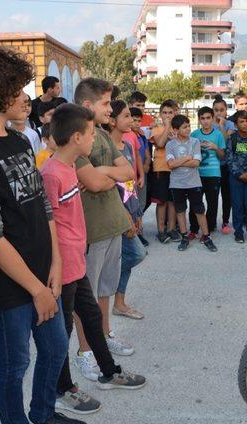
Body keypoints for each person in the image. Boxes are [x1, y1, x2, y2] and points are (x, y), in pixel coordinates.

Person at [0, 45, 78, 424]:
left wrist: (54, 263)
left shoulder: (21, 139)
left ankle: (42, 415)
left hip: (43, 273)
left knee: (56, 350)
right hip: (10, 283)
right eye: (17, 88)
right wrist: (36, 289)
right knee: (14, 364)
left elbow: (42, 206)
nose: (26, 97)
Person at [42, 104, 145, 415]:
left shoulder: (71, 168)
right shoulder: (50, 174)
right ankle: (63, 389)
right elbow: (46, 227)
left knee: (91, 317)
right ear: (76, 137)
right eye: (89, 135)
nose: (94, 140)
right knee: (62, 333)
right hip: (63, 268)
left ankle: (109, 371)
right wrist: (56, 267)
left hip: (77, 263)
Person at [73, 78, 136, 381]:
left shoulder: (100, 134)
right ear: (87, 106)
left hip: (112, 223)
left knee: (105, 290)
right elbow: (95, 183)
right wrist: (109, 175)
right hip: (90, 231)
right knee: (86, 298)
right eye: (106, 104)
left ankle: (105, 335)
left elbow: (129, 172)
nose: (111, 109)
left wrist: (104, 172)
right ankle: (86, 351)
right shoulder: (73, 137)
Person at [106, 101, 147, 319]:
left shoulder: (128, 146)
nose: (131, 120)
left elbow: (129, 185)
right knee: (136, 254)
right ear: (112, 121)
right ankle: (110, 296)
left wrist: (136, 213)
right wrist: (125, 219)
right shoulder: (105, 150)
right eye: (126, 116)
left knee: (128, 257)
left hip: (130, 211)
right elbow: (110, 188)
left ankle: (119, 303)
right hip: (116, 216)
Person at [165, 114, 217, 252]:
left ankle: (206, 236)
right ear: (175, 129)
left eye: (188, 126)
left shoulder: (195, 142)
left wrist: (180, 161)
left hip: (194, 183)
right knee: (180, 211)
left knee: (199, 210)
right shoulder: (170, 144)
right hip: (177, 184)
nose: (188, 129)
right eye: (184, 127)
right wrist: (187, 157)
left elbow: (196, 163)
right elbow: (170, 164)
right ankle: (184, 237)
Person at [188, 106, 225, 237]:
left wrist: (215, 147)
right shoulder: (194, 135)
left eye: (208, 118)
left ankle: (209, 228)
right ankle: (193, 228)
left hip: (213, 174)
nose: (205, 121)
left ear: (213, 119)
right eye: (202, 118)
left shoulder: (218, 134)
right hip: (196, 174)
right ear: (199, 120)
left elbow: (223, 156)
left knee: (212, 202)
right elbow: (189, 153)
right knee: (195, 202)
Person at [226, 111, 247, 244]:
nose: (245, 124)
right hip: (236, 178)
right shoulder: (232, 138)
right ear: (236, 124)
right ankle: (238, 233)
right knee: (238, 206)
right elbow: (229, 158)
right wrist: (239, 174)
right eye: (241, 122)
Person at [149, 100, 180, 243]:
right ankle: (161, 231)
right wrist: (167, 128)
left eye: (170, 113)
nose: (167, 115)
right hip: (161, 169)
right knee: (162, 202)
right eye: (164, 113)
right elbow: (160, 143)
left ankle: (172, 229)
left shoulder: (179, 130)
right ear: (160, 115)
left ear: (175, 113)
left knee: (173, 201)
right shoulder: (156, 130)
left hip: (175, 169)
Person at [212, 95, 235, 235]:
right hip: (213, 166)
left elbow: (226, 142)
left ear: (226, 110)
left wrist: (221, 126)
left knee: (227, 196)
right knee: (213, 196)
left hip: (226, 166)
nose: (219, 113)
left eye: (222, 110)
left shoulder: (230, 125)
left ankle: (225, 221)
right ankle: (212, 222)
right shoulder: (209, 123)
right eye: (216, 110)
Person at [129, 106, 151, 246]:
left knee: (141, 203)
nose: (136, 123)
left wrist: (147, 164)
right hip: (131, 176)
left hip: (142, 174)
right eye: (133, 120)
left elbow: (147, 154)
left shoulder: (142, 135)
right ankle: (134, 233)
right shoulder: (127, 136)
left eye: (138, 120)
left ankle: (139, 231)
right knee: (132, 205)